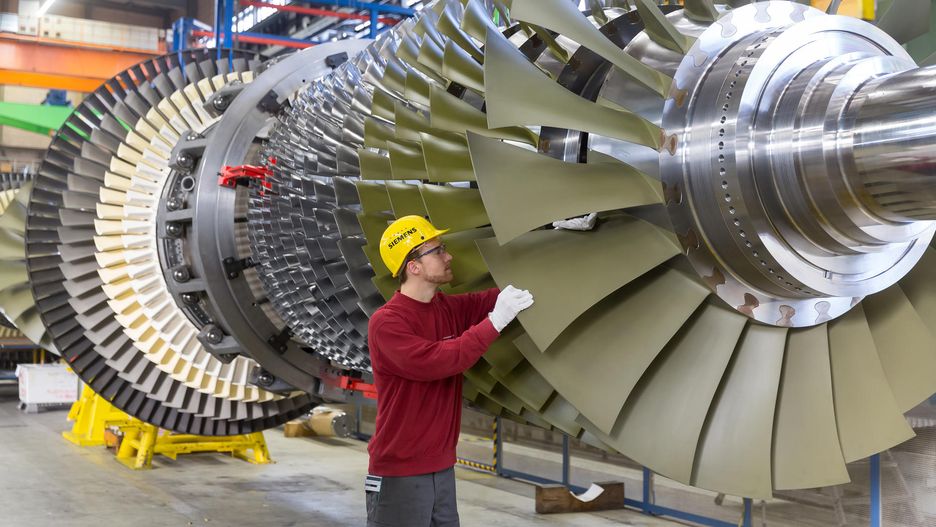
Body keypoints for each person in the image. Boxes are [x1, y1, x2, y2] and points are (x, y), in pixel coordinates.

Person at [364, 215, 534, 527]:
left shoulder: (445, 308)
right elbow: (438, 361)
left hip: (441, 467)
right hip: (400, 470)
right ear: (414, 266)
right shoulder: (387, 322)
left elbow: (498, 297)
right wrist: (495, 321)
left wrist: (555, 239)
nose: (449, 256)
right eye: (438, 250)